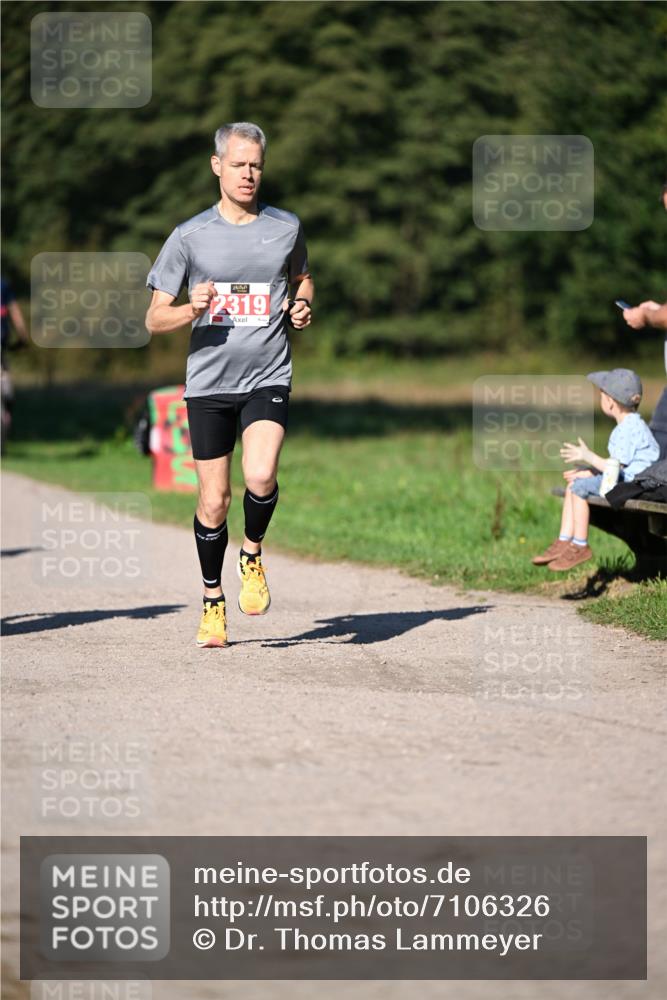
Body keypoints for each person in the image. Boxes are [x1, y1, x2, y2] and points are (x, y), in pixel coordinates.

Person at [145, 123, 314, 647]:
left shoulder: (286, 227)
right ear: (217, 166)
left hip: (267, 374)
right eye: (238, 164)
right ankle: (213, 599)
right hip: (209, 384)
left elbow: (302, 278)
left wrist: (302, 305)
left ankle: (252, 553)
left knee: (260, 474)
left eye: (256, 165)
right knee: (214, 500)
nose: (248, 174)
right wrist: (188, 309)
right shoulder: (189, 236)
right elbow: (153, 318)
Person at [532, 368, 659, 572]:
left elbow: (615, 469)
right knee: (574, 484)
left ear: (610, 401)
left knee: (578, 489)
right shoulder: (632, 424)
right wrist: (591, 471)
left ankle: (580, 545)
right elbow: (619, 466)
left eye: (601, 394)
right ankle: (564, 540)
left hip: (633, 485)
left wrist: (588, 456)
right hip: (630, 479)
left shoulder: (627, 429)